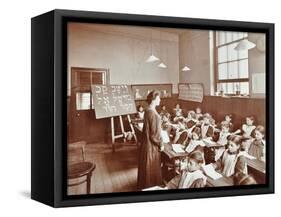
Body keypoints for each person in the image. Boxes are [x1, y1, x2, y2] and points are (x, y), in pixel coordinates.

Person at [137, 90, 164, 189]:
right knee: (151, 167)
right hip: (151, 146)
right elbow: (154, 135)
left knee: (146, 168)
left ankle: (145, 186)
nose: (160, 100)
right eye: (158, 98)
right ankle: (151, 188)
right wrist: (161, 143)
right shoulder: (152, 113)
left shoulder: (148, 110)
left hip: (146, 144)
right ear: (153, 99)